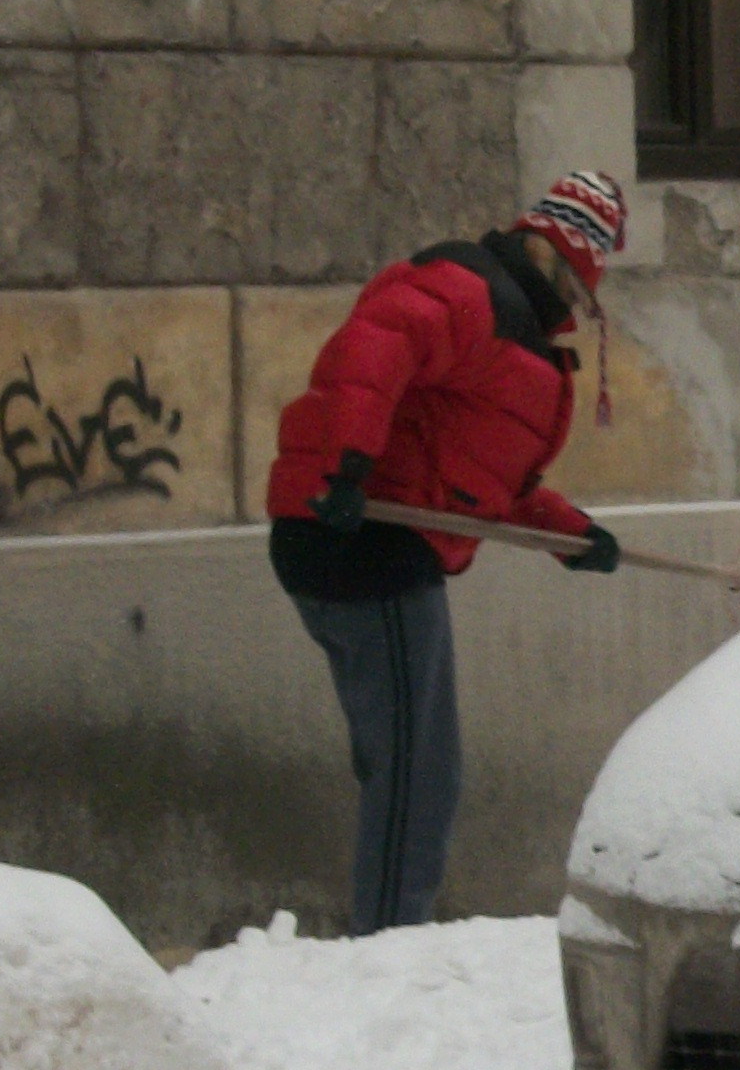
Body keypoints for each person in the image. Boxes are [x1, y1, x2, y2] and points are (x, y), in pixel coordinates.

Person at [266, 170, 632, 933]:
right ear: (548, 248)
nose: (574, 304)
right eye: (575, 283)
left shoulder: (512, 331)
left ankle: (386, 934)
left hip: (361, 534)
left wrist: (572, 536)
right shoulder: (469, 291)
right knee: (419, 775)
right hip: (363, 539)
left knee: (405, 766)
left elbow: (484, 487)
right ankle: (389, 946)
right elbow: (376, 346)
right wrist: (347, 464)